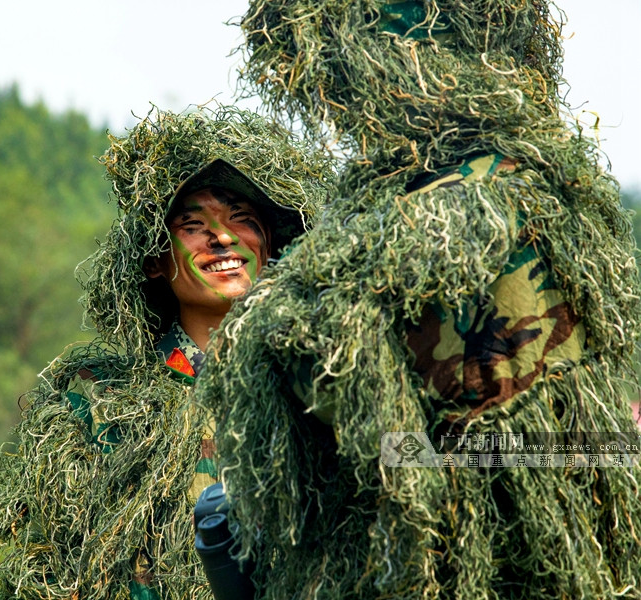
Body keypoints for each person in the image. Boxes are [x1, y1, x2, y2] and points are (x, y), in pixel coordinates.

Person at [196, 1, 641, 599]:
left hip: (479, 553)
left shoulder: (459, 204)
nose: (329, 106)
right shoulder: (518, 180)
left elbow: (393, 439)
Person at [0, 104, 334, 600]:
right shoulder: (99, 406)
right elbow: (57, 572)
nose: (223, 237)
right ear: (153, 261)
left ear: (272, 246)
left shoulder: (329, 385)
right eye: (192, 225)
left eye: (242, 219)